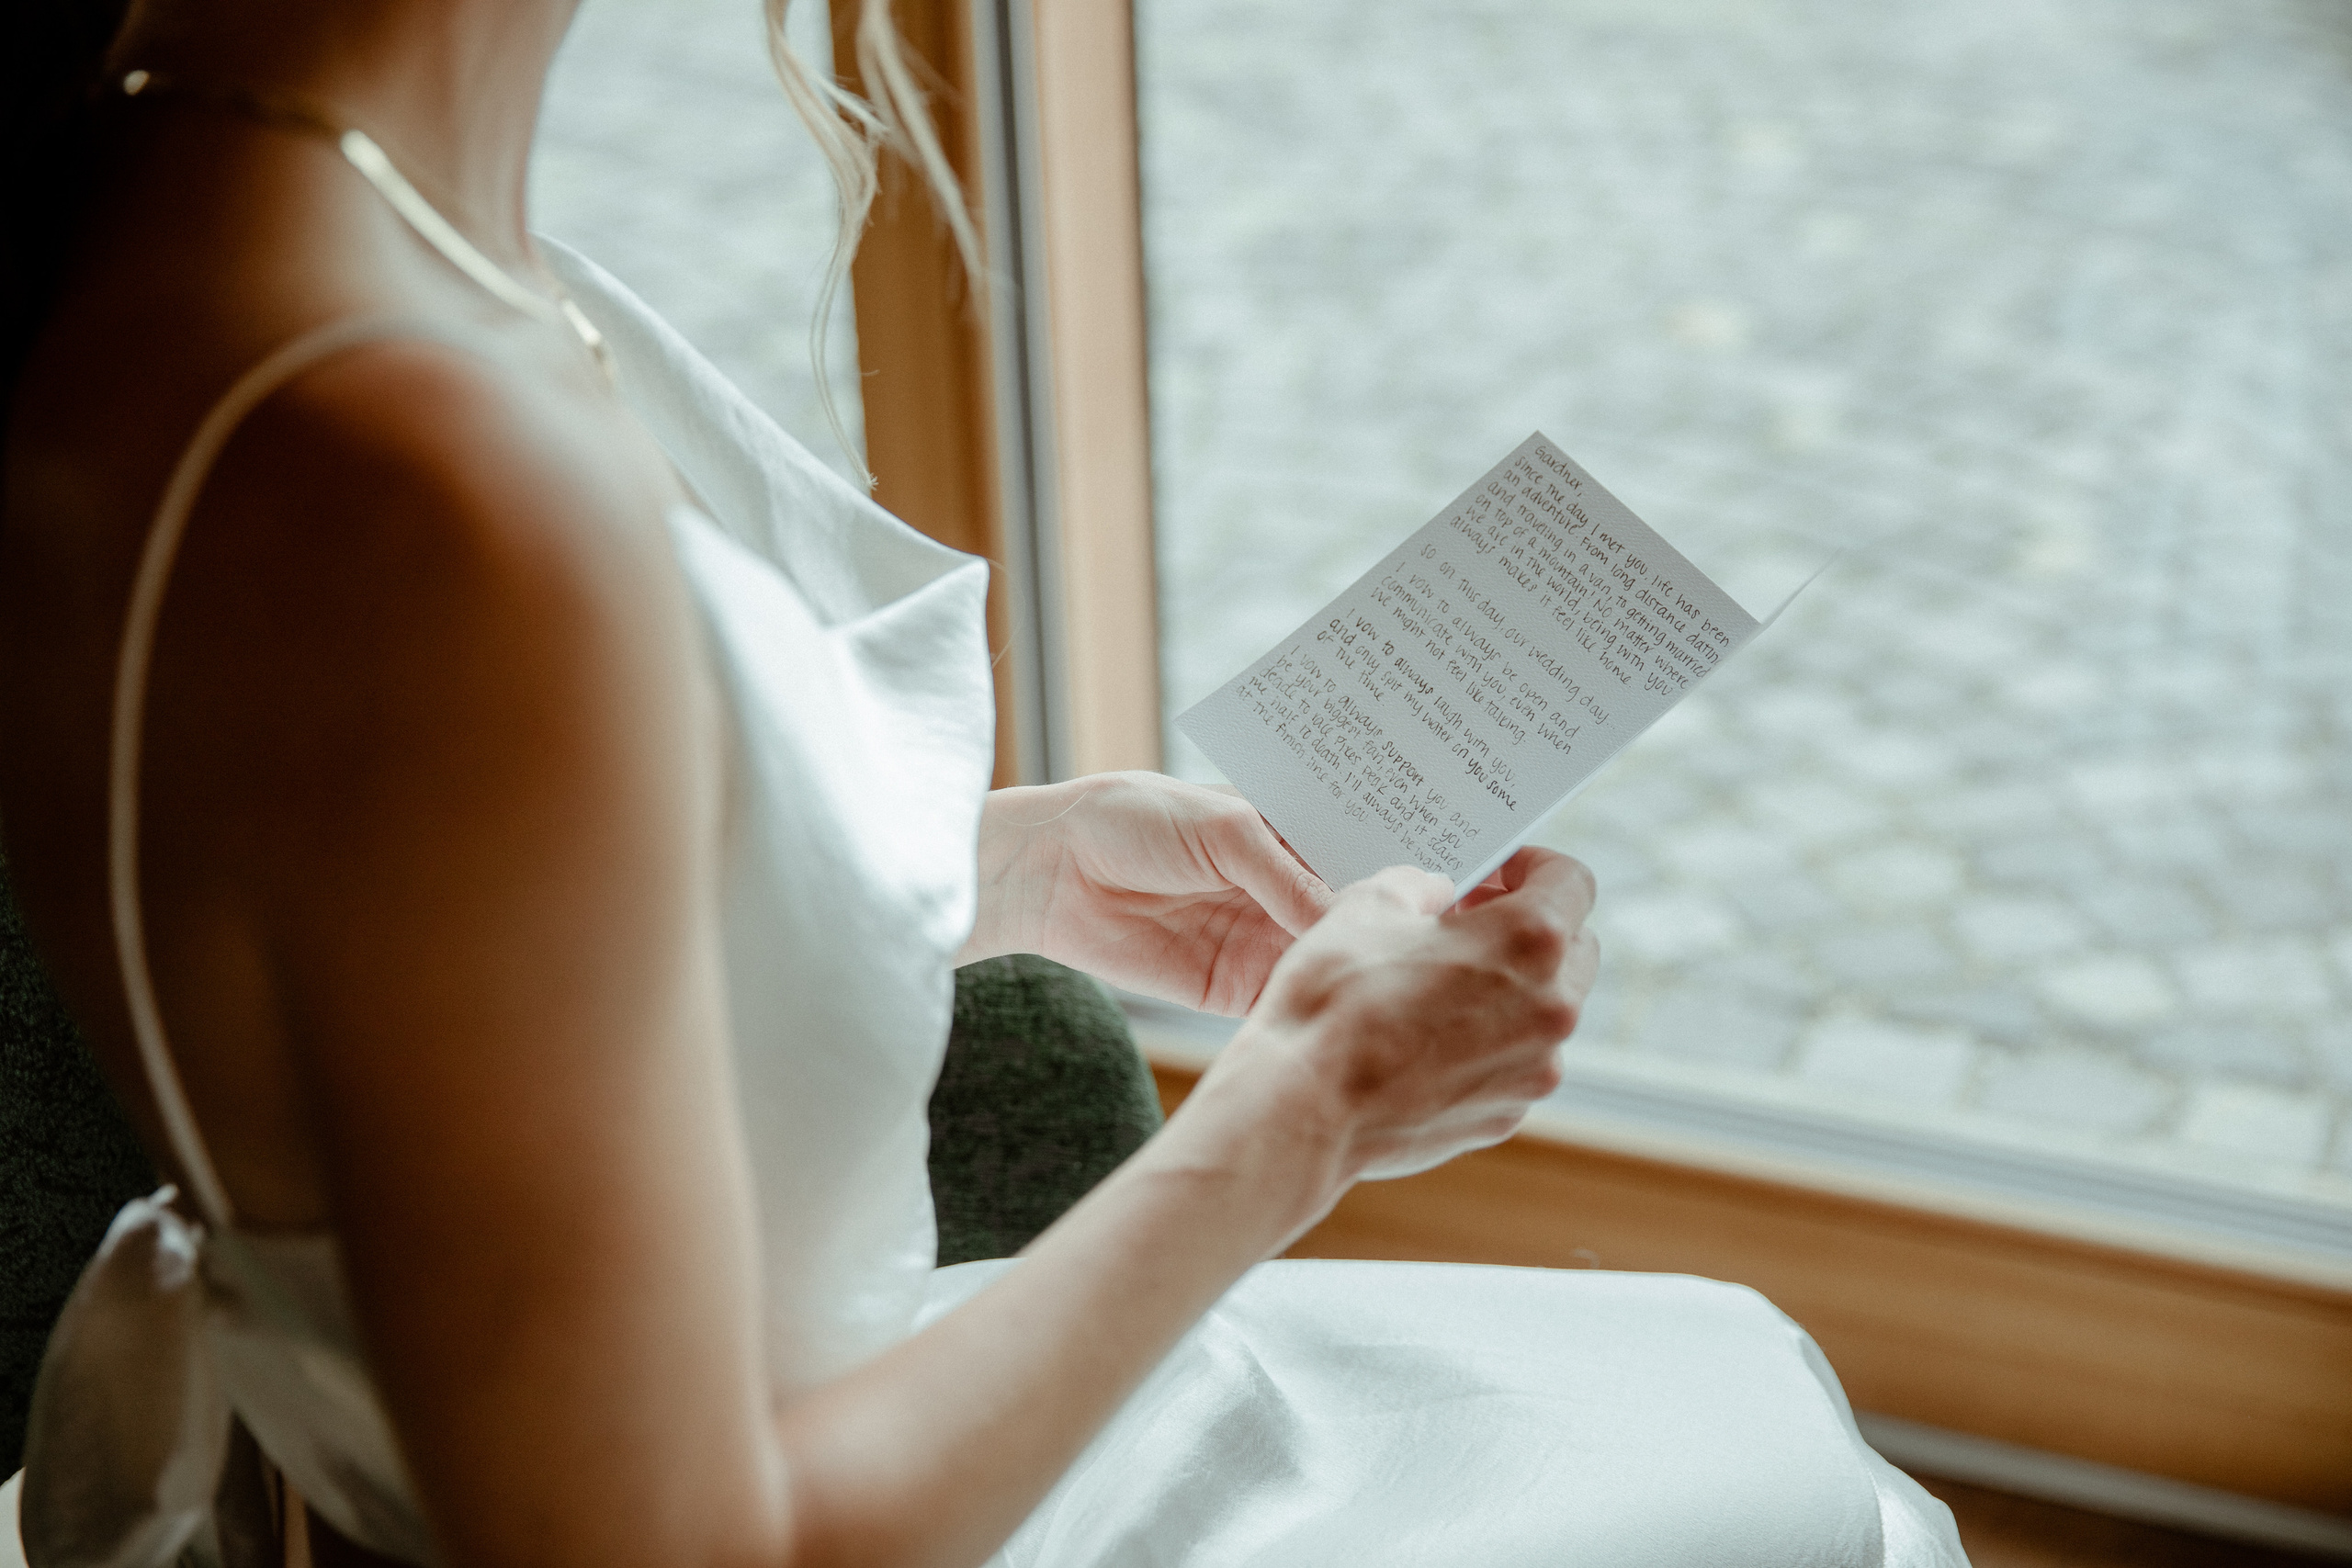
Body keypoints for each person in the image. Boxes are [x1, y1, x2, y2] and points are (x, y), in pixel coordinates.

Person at [0, 2, 1968, 1564]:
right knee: (1790, 1478)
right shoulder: (409, 475)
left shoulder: (242, 206)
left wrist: (971, 873)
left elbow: (398, 949)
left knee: (1727, 1403)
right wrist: (1306, 1110)